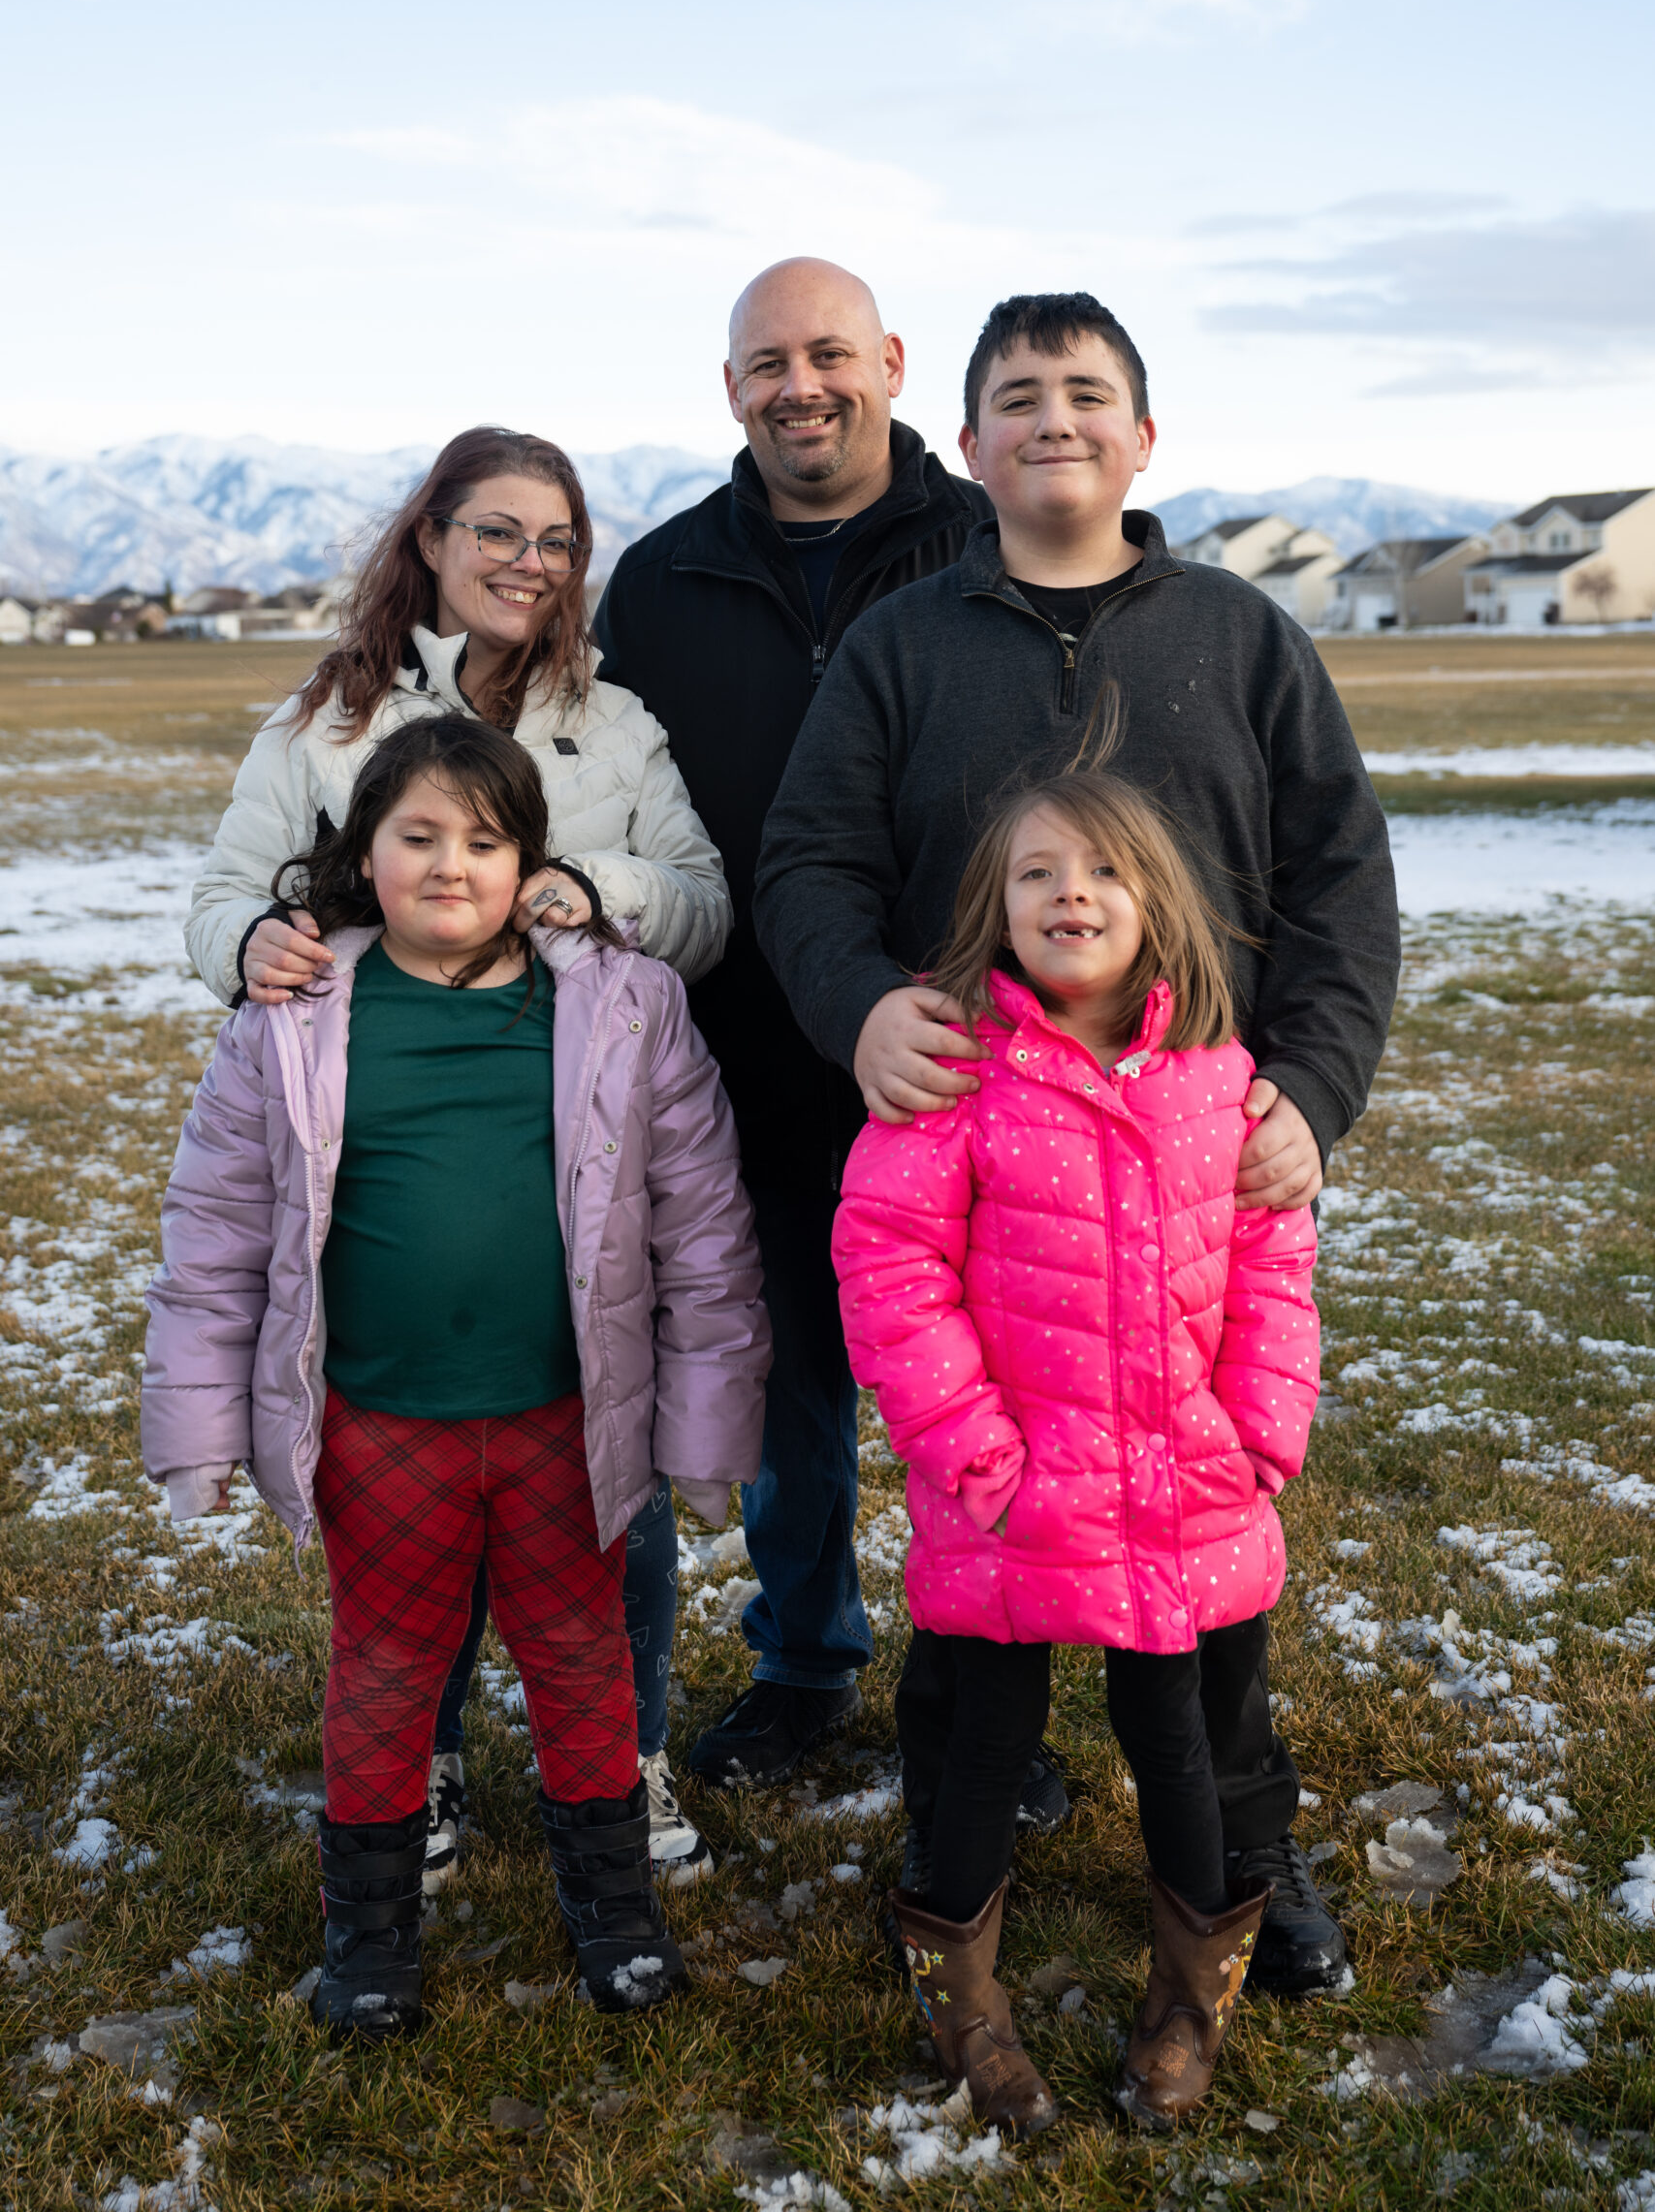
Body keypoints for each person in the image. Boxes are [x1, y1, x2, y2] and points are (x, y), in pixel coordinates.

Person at [753, 291, 1401, 1995]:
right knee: (985, 1543)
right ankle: (962, 1825)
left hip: (1194, 1166)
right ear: (966, 446)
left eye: (1089, 391)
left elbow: (1341, 880)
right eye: (1021, 395)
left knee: (1205, 1550)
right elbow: (809, 858)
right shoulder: (904, 646)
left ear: (1144, 436)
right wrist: (860, 1008)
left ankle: (1246, 1845)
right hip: (992, 1178)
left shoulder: (1242, 638)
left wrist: (1313, 1088)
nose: (1056, 416)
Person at [143, 714, 769, 2038]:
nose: (449, 866)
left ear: (531, 862)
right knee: (384, 1668)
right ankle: (369, 1933)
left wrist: (709, 1433)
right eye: (416, 836)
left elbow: (706, 1231)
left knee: (583, 1657)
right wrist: (195, 1428)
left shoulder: (622, 1006)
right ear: (361, 854)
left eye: (484, 841)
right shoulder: (294, 1019)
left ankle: (614, 1907)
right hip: (382, 1426)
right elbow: (215, 1236)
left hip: (564, 1423)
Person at [182, 425, 730, 1888]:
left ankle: (630, 1752)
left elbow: (701, 899)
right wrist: (255, 943)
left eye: (556, 540)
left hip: (569, 1139)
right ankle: (415, 1766)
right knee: (407, 1509)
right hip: (393, 1125)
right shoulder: (329, 722)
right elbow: (222, 897)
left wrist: (594, 886)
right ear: (430, 538)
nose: (527, 563)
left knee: (602, 1476)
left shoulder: (614, 725)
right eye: (496, 530)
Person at [593, 261, 1081, 1815]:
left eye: (827, 353)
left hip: (966, 1055)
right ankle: (805, 1660)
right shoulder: (663, 579)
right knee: (789, 1387)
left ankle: (997, 1698)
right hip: (742, 1052)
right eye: (766, 363)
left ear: (890, 362)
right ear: (730, 389)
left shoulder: (983, 541)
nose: (798, 386)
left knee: (992, 1392)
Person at [834, 770, 1320, 2130]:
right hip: (1011, 1495)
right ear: (995, 907)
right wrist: (979, 1460)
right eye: (1039, 872)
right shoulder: (956, 1073)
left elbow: (1274, 1267)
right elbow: (890, 1268)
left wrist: (1258, 1436)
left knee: (1177, 1737)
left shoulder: (1218, 1083)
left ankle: (1188, 1999)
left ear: (1157, 902)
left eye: (1104, 871)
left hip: (1180, 1492)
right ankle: (963, 2001)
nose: (1072, 895)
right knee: (985, 1741)